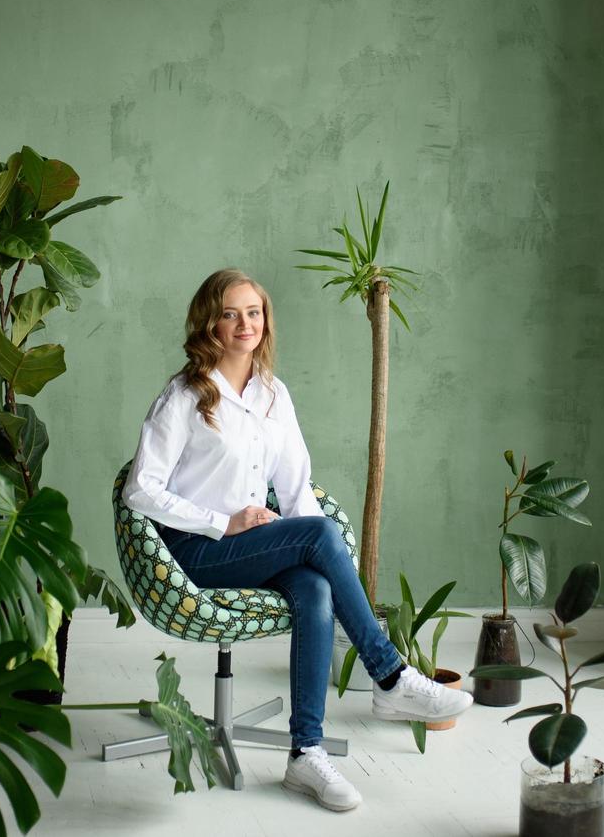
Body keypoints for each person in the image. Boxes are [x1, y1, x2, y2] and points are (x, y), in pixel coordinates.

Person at [122, 268, 473, 812]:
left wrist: (312, 542)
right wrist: (222, 523)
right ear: (209, 322)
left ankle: (304, 754)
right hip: (192, 553)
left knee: (313, 588)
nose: (245, 324)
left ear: (266, 320)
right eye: (231, 313)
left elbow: (296, 488)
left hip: (254, 545)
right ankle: (390, 675)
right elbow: (139, 491)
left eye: (254, 312)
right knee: (316, 538)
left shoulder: (272, 394)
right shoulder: (185, 395)